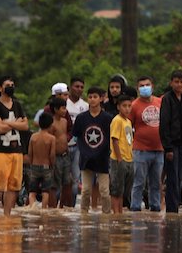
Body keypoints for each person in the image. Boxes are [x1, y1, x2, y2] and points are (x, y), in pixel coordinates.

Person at [0, 76, 29, 216]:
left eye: (12, 84)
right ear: (0, 88)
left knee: (13, 186)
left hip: (17, 150)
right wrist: (16, 123)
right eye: (7, 84)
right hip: (1, 151)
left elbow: (25, 126)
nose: (10, 86)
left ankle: (7, 216)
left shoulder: (17, 104)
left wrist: (9, 123)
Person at [73, 86, 113, 214]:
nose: (92, 99)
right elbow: (76, 136)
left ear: (101, 99)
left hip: (103, 158)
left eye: (95, 97)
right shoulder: (81, 118)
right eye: (90, 97)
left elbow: (112, 138)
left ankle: (106, 216)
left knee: (105, 191)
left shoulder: (108, 118)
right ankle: (83, 216)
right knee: (85, 191)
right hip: (86, 158)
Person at [159, 69, 182, 213]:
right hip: (171, 144)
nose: (179, 85)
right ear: (171, 83)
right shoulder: (167, 99)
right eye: (176, 82)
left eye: (181, 82)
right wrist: (168, 148)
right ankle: (171, 209)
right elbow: (164, 124)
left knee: (180, 176)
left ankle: (175, 206)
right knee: (172, 177)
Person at [131, 76, 164, 213]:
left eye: (147, 85)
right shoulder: (134, 105)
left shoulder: (160, 102)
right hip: (140, 150)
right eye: (142, 85)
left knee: (156, 183)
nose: (145, 87)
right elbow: (128, 126)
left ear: (152, 86)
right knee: (139, 182)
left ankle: (155, 207)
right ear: (138, 89)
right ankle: (135, 208)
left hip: (159, 149)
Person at [109, 94, 135, 213]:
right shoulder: (117, 120)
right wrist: (119, 158)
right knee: (116, 189)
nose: (127, 109)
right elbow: (115, 139)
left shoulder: (128, 121)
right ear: (118, 107)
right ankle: (116, 213)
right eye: (124, 106)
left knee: (124, 189)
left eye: (129, 106)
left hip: (129, 158)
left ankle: (120, 212)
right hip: (118, 159)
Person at [26, 112, 56, 208]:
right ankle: (43, 210)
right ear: (51, 125)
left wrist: (31, 164)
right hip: (46, 167)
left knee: (32, 192)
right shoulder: (51, 138)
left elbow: (29, 153)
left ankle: (32, 208)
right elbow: (52, 155)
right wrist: (52, 165)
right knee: (45, 192)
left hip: (34, 166)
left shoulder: (33, 137)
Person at [48, 98, 73, 208]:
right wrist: (50, 158)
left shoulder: (65, 121)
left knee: (68, 182)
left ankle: (63, 207)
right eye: (63, 108)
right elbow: (49, 141)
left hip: (65, 155)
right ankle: (52, 208)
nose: (65, 110)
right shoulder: (51, 124)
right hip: (55, 157)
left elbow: (66, 134)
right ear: (56, 109)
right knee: (54, 184)